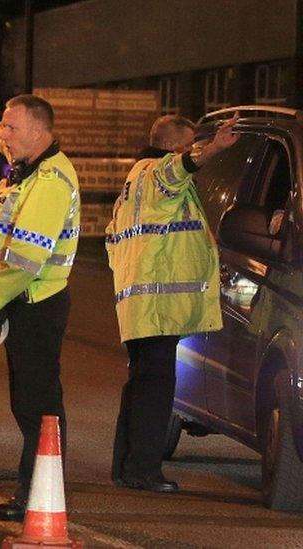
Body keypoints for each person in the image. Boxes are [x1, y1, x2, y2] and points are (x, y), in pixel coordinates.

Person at [106, 114, 239, 492]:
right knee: (155, 388)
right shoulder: (155, 174)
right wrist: (213, 148)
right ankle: (143, 471)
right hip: (157, 306)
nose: (191, 150)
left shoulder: (133, 182)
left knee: (140, 384)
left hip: (139, 302)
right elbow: (177, 171)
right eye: (187, 144)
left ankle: (127, 466)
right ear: (172, 147)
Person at [0, 94, 80, 522]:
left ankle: (37, 495)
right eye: (2, 125)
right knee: (29, 402)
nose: (4, 133)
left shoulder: (51, 180)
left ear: (40, 132)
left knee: (37, 404)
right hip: (24, 300)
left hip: (36, 302)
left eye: (12, 127)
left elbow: (25, 259)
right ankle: (37, 491)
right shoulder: (24, 174)